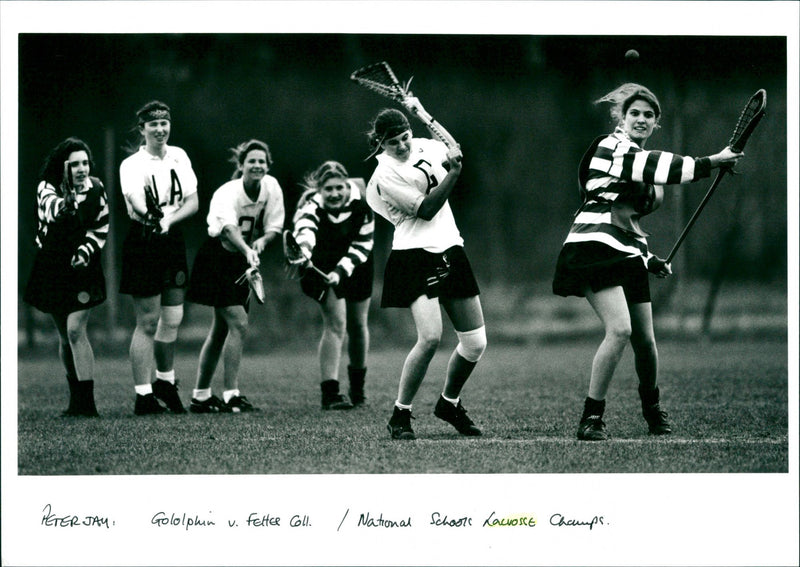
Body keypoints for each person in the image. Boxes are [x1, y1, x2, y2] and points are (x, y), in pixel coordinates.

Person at [552, 83, 744, 441]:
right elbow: (648, 165)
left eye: (649, 115)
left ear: (657, 122)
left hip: (625, 251)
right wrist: (709, 163)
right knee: (620, 329)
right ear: (621, 119)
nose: (641, 119)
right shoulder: (612, 146)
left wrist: (648, 257)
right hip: (592, 247)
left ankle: (652, 409)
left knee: (646, 341)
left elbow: (625, 220)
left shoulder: (646, 172)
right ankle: (591, 418)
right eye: (635, 113)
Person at [364, 102, 487, 440]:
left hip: (451, 247)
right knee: (431, 337)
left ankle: (449, 403)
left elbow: (452, 148)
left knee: (475, 343)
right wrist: (453, 174)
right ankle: (400, 414)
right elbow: (428, 209)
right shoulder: (384, 175)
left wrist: (420, 111)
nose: (402, 146)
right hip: (413, 256)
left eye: (404, 137)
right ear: (380, 144)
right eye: (393, 143)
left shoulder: (424, 145)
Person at [186, 139, 285, 413]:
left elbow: (274, 226)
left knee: (221, 330)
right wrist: (247, 250)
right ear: (241, 165)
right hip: (217, 257)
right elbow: (228, 229)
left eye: (262, 161)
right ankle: (231, 395)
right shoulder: (226, 193)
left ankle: (201, 396)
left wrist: (262, 243)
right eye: (251, 161)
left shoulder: (271, 188)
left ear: (268, 165)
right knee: (239, 324)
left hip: (241, 260)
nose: (257, 165)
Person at [119, 100, 199, 415]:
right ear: (143, 129)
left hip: (172, 238)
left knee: (174, 318)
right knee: (148, 321)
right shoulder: (132, 164)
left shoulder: (179, 156)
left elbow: (192, 202)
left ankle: (165, 382)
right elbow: (136, 200)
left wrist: (169, 220)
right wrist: (152, 217)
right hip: (144, 241)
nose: (160, 129)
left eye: (164, 123)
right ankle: (143, 396)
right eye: (153, 125)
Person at [24, 137, 109, 417]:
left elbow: (99, 227)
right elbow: (50, 211)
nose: (82, 169)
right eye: (75, 165)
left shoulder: (96, 188)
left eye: (85, 163)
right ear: (64, 167)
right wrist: (66, 203)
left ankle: (88, 403)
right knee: (64, 336)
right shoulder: (46, 187)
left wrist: (84, 252)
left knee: (75, 330)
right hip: (53, 265)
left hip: (83, 265)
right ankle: (76, 402)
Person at [292, 160, 374, 410]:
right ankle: (330, 394)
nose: (335, 193)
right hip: (322, 263)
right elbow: (305, 233)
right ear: (320, 190)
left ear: (347, 185)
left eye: (339, 187)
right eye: (328, 189)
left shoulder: (363, 205)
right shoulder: (310, 207)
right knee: (337, 324)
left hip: (357, 261)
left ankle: (357, 390)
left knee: (358, 325)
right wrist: (304, 252)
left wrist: (341, 271)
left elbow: (362, 245)